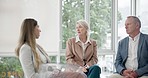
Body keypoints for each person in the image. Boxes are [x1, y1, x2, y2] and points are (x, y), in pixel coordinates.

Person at [15, 18, 87, 78]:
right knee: (79, 76)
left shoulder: (37, 47)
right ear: (31, 29)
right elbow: (30, 76)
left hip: (53, 75)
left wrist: (59, 71)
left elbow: (46, 67)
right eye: (37, 27)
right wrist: (52, 75)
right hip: (50, 77)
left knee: (81, 75)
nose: (40, 30)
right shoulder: (25, 49)